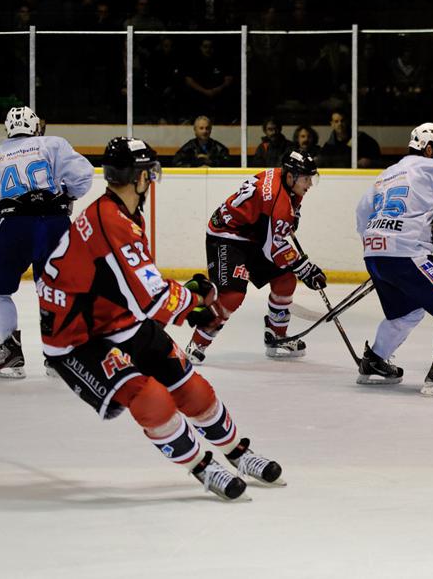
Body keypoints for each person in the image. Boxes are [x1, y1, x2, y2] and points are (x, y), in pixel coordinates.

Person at [38, 137, 282, 500]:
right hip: (76, 338)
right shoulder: (112, 223)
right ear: (138, 177)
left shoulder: (120, 211)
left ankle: (238, 453)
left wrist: (187, 299)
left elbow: (136, 285)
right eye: (149, 174)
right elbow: (151, 297)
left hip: (117, 317)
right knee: (151, 399)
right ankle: (202, 466)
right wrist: (196, 305)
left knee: (194, 390)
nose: (151, 180)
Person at [355, 123, 433, 397]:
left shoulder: (386, 175)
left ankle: (375, 360)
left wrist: (384, 244)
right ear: (429, 148)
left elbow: (362, 214)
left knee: (407, 312)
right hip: (407, 251)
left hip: (374, 252)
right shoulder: (428, 166)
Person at [0, 107, 94, 379]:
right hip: (54, 224)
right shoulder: (52, 143)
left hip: (14, 226)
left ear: (8, 129)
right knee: (55, 289)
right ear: (35, 127)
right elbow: (83, 175)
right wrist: (66, 195)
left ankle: (11, 353)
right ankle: (58, 357)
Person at [186, 149, 325, 364]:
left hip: (253, 235)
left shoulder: (284, 180)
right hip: (226, 236)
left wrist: (293, 216)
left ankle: (276, 335)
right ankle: (197, 343)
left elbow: (271, 229)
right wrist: (304, 267)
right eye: (306, 179)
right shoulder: (277, 201)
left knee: (285, 280)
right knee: (233, 295)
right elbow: (273, 247)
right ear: (291, 176)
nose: (310, 184)